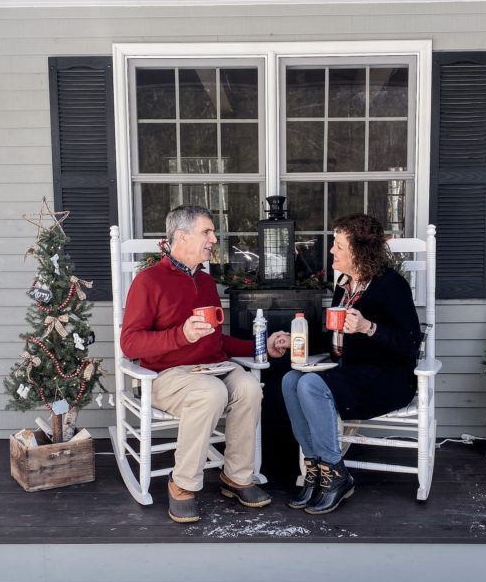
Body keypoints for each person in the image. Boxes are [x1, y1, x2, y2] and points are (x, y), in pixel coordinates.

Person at [120, 205, 290, 524]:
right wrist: (180, 335)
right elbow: (130, 343)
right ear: (181, 237)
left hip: (211, 368)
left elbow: (216, 342)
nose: (214, 238)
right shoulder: (149, 281)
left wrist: (259, 347)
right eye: (207, 232)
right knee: (211, 392)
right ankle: (182, 484)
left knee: (249, 386)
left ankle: (236, 476)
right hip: (165, 376)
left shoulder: (206, 282)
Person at [281, 213, 421, 514]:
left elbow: (410, 344)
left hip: (387, 377)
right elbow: (335, 336)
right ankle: (316, 468)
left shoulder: (390, 286)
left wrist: (369, 327)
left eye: (339, 245)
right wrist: (294, 339)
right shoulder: (345, 285)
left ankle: (335, 472)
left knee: (310, 384)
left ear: (359, 251)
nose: (332, 250)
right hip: (352, 372)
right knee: (291, 379)